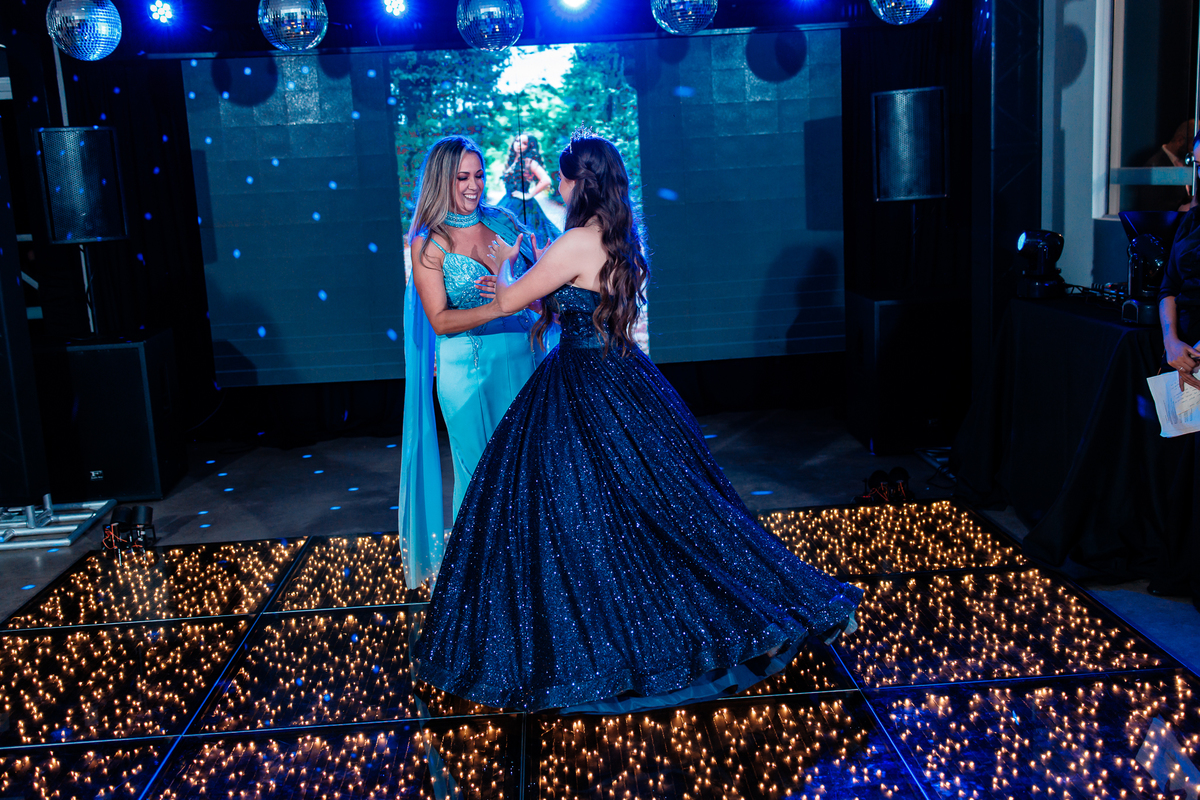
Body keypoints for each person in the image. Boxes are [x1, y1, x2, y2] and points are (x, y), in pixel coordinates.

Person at [412, 131, 861, 713]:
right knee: (656, 504)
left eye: (562, 179)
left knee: (580, 505)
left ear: (578, 183)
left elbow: (508, 302)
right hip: (625, 375)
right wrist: (535, 278)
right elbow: (573, 302)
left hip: (583, 382)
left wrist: (504, 270)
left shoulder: (574, 241)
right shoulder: (620, 235)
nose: (557, 186)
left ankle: (594, 627)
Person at [397, 135, 553, 591]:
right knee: (480, 474)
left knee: (529, 471)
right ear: (441, 180)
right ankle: (479, 588)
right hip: (466, 371)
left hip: (524, 360)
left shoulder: (504, 221)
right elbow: (440, 320)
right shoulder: (429, 244)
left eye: (479, 175)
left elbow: (542, 294)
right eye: (461, 177)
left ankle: (532, 579)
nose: (473, 186)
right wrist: (500, 304)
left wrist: (524, 289)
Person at [498, 133, 562, 247]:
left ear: (529, 146)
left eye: (524, 143)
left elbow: (546, 180)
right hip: (508, 201)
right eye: (517, 141)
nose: (519, 144)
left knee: (526, 238)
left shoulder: (529, 162)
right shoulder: (512, 161)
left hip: (522, 205)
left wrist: (528, 195)